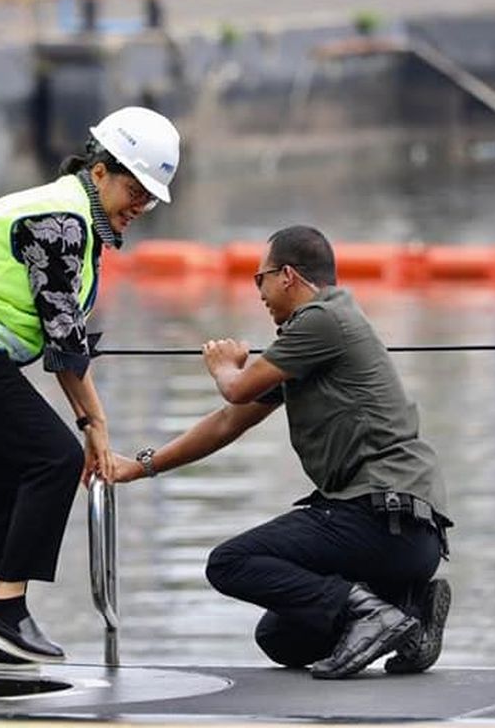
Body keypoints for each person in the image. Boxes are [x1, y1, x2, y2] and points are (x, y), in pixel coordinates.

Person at [0, 107, 182, 671]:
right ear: (99, 172)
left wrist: (90, 419)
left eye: (149, 197)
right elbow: (64, 338)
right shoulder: (62, 220)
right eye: (133, 189)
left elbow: (62, 342)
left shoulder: (74, 217)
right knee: (54, 462)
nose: (139, 206)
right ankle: (5, 609)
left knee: (7, 489)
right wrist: (94, 427)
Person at [112, 225, 452, 679]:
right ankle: (406, 612)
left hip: (381, 516)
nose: (259, 293)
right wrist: (141, 466)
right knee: (281, 638)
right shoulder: (311, 337)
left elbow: (235, 392)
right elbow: (228, 422)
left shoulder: (322, 319)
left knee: (230, 562)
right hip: (406, 535)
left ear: (288, 275)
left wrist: (224, 366)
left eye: (261, 280)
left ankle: (374, 614)